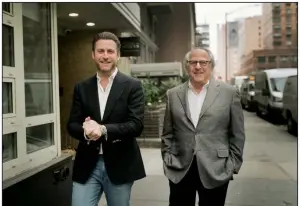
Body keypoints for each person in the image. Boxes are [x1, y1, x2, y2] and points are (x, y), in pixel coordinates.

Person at [67, 31, 146, 206]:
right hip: (87, 164)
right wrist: (86, 132)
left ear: (117, 55)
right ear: (93, 55)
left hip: (120, 164)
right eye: (100, 51)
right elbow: (72, 124)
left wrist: (102, 129)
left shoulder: (133, 86)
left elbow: (136, 125)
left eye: (110, 51)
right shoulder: (82, 87)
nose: (105, 56)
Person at [161, 48, 245, 206]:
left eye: (203, 62)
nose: (198, 66)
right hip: (180, 168)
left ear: (211, 65)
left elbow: (238, 134)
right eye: (193, 62)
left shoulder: (229, 93)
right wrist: (168, 159)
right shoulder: (173, 94)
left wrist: (232, 165)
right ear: (187, 66)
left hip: (216, 168)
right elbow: (167, 133)